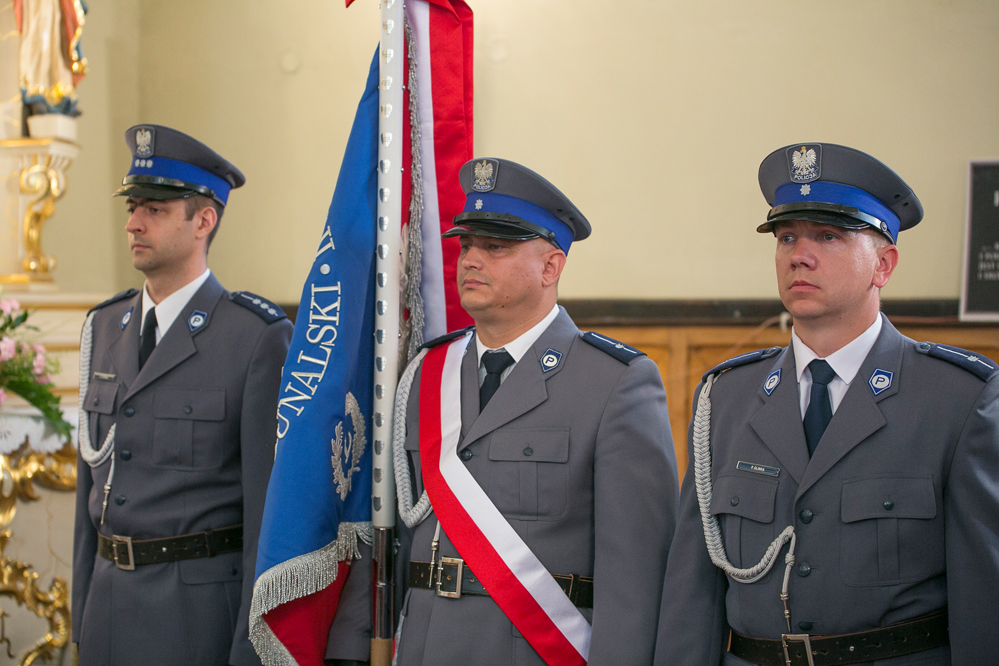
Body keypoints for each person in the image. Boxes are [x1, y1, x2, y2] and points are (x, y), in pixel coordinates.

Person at [655, 143, 999, 666]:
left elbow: (985, 602)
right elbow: (692, 593)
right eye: (787, 237)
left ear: (883, 265)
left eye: (828, 236)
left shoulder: (957, 399)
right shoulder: (726, 397)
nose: (799, 254)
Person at [333, 158, 678, 666]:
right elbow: (387, 530)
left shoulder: (614, 383)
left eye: (495, 247)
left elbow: (637, 578)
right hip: (424, 647)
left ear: (551, 267)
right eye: (466, 245)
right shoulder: (425, 374)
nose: (471, 259)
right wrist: (351, 647)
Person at [73, 124, 293, 666]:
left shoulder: (253, 337)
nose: (133, 223)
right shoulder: (104, 327)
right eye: (133, 207)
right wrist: (81, 620)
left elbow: (266, 512)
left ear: (204, 221)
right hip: (106, 611)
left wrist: (250, 648)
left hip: (194, 618)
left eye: (155, 209)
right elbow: (87, 495)